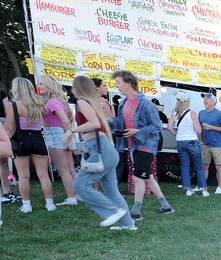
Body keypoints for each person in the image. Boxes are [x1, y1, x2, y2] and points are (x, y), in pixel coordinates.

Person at [67, 76, 135, 230]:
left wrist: (71, 130)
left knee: (80, 185)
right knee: (112, 192)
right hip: (106, 149)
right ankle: (128, 224)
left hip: (102, 149)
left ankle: (112, 211)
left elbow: (94, 124)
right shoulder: (94, 103)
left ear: (78, 88)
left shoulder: (82, 102)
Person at [111, 70, 174, 220]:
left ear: (128, 83)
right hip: (133, 145)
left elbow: (156, 127)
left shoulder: (145, 104)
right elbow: (119, 123)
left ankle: (136, 212)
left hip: (146, 145)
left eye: (118, 82)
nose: (117, 86)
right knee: (148, 177)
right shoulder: (122, 104)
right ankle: (166, 206)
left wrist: (136, 131)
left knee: (139, 177)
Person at [4, 77, 56, 213]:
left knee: (23, 175)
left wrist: (4, 141)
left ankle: (27, 205)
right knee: (43, 174)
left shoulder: (13, 104)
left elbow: (10, 128)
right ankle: (50, 204)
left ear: (16, 89)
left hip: (21, 140)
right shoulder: (39, 103)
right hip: (38, 139)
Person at [39, 75, 77, 206]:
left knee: (63, 170)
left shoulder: (51, 102)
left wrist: (67, 135)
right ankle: (78, 195)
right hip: (62, 133)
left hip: (56, 134)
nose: (39, 86)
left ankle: (72, 197)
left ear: (49, 86)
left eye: (41, 84)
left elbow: (65, 121)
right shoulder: (58, 100)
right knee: (70, 169)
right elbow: (67, 121)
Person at [168, 91, 208, 197]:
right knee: (198, 165)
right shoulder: (192, 113)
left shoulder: (174, 112)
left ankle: (188, 189)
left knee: (185, 165)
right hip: (192, 141)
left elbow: (169, 127)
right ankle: (203, 189)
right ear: (187, 102)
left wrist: (177, 134)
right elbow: (198, 130)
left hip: (180, 141)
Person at [199, 93, 221, 195]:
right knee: (205, 166)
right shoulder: (201, 113)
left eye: (207, 99)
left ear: (213, 101)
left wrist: (211, 127)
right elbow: (199, 129)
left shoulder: (219, 114)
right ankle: (203, 186)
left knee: (218, 167)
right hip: (205, 144)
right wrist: (200, 141)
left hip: (218, 145)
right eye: (204, 100)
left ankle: (219, 187)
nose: (205, 101)